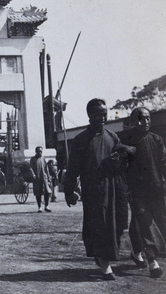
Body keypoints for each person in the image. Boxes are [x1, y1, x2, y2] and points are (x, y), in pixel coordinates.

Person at [62, 98, 129, 280]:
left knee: (114, 226)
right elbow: (73, 168)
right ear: (90, 115)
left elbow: (121, 159)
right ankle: (104, 264)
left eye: (105, 114)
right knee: (98, 226)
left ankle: (103, 258)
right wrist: (69, 191)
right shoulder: (81, 140)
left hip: (112, 190)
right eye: (99, 114)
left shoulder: (112, 137)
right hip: (93, 192)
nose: (103, 117)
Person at [120, 107, 166, 278]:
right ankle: (152, 261)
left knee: (141, 223)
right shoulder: (126, 140)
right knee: (145, 222)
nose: (145, 122)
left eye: (147, 118)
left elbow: (163, 164)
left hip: (156, 189)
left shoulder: (156, 139)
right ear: (132, 122)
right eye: (140, 119)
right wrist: (126, 189)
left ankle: (136, 251)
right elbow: (122, 168)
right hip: (136, 190)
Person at [30, 146, 52, 213]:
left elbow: (46, 168)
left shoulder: (43, 158)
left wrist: (48, 177)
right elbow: (30, 168)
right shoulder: (33, 159)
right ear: (36, 152)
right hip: (37, 179)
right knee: (38, 193)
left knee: (47, 192)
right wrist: (33, 174)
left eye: (41, 151)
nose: (40, 153)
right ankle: (39, 207)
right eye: (39, 151)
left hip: (44, 178)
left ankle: (46, 206)